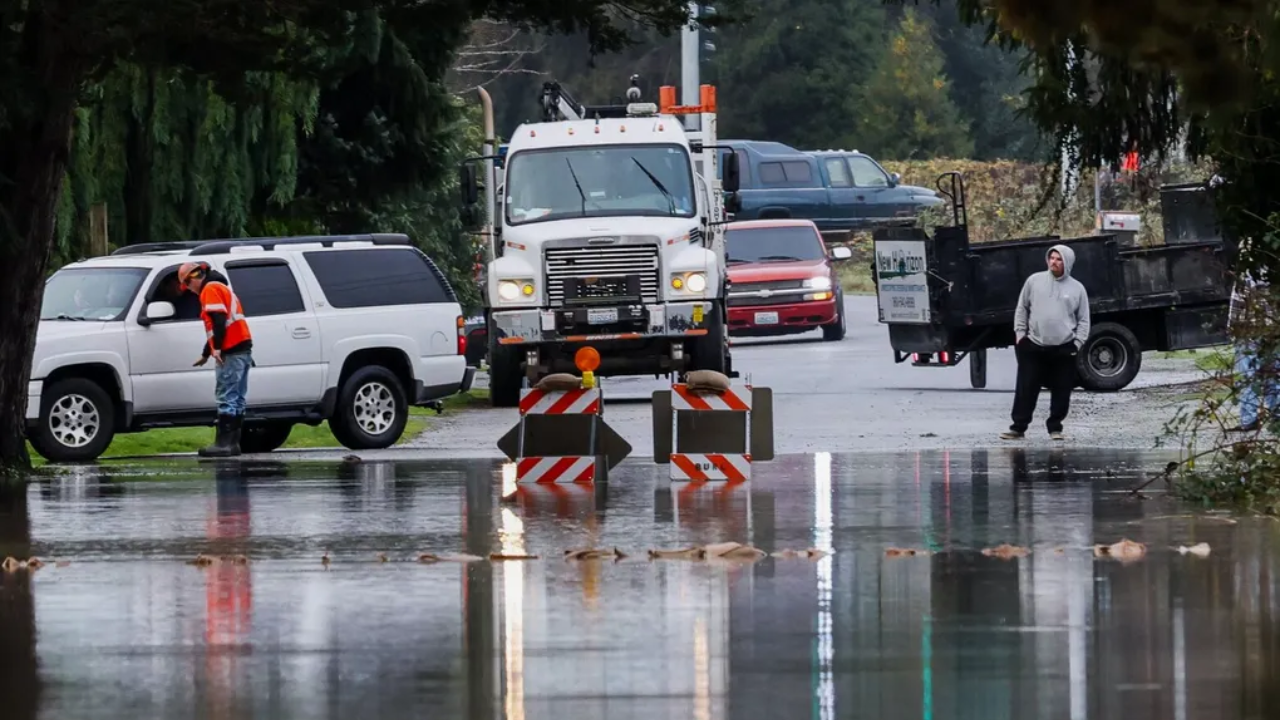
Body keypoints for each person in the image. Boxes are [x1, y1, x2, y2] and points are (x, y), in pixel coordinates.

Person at [1001, 245, 1091, 441]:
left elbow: (1084, 320)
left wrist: (1077, 343)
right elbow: (1022, 308)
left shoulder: (1077, 289)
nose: (1054, 262)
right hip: (1033, 344)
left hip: (1064, 347)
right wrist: (1020, 335)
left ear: (1067, 262)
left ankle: (1055, 427)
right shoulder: (1034, 281)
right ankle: (1018, 427)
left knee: (1061, 389)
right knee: (1026, 387)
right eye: (1051, 258)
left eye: (1059, 259)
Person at [178, 261, 254, 457]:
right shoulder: (220, 287)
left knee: (226, 397)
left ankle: (223, 444)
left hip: (230, 349)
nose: (188, 290)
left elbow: (219, 322)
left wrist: (218, 349)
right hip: (242, 348)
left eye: (186, 285)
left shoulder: (209, 289)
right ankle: (233, 444)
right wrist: (206, 353)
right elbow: (217, 327)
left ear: (192, 279)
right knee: (237, 398)